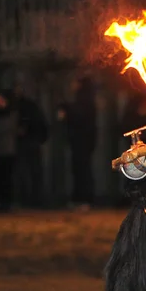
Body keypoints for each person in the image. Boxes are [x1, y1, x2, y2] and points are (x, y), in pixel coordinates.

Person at [59, 75, 97, 211]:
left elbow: (79, 117)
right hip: (80, 141)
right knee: (79, 170)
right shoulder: (84, 99)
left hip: (82, 141)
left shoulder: (84, 100)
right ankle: (80, 198)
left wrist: (66, 109)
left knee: (82, 170)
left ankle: (85, 199)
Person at [13, 82, 49, 208]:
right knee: (31, 172)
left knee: (28, 172)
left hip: (27, 143)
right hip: (30, 142)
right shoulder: (30, 106)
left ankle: (30, 200)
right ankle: (33, 200)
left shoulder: (20, 107)